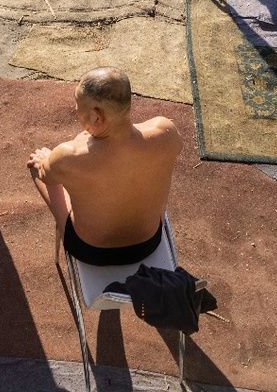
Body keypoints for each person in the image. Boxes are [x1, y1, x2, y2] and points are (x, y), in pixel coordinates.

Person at [27, 67, 181, 265]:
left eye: (77, 104)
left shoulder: (69, 155)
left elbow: (47, 175)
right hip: (149, 243)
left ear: (96, 117)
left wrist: (45, 158)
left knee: (36, 165)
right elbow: (176, 146)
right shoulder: (165, 131)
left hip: (91, 251)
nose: (75, 109)